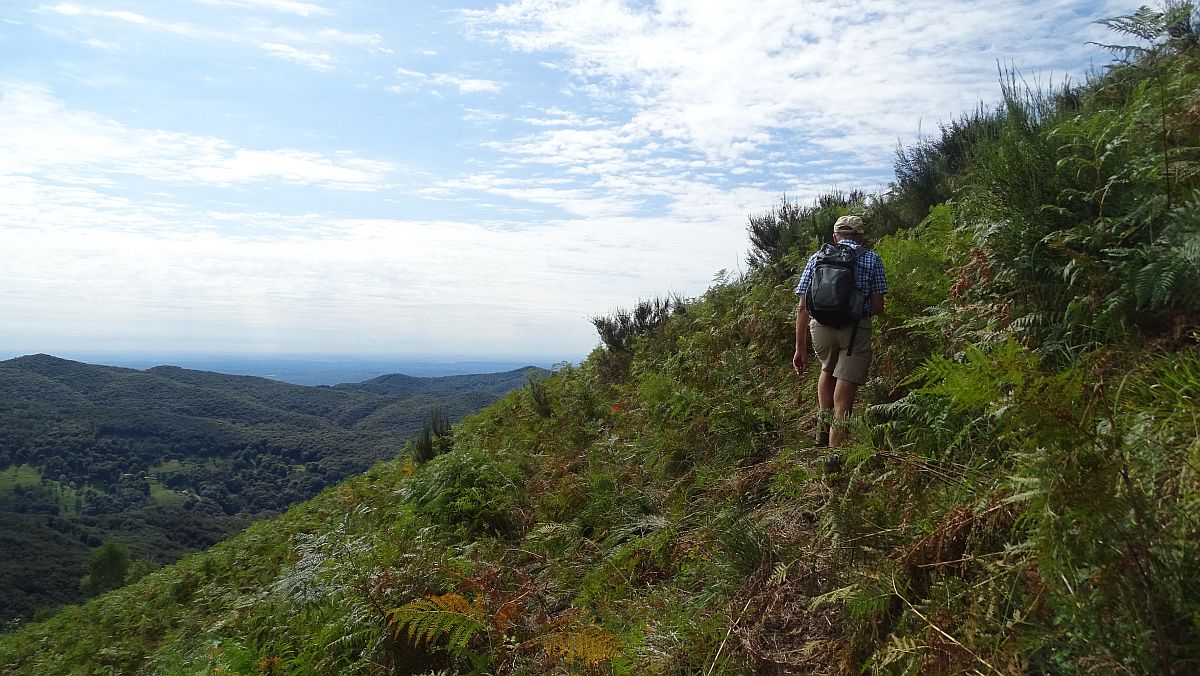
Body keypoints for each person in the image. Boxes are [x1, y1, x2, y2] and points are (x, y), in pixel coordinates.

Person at [792, 215, 888, 448]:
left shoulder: (816, 258)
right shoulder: (871, 258)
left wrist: (800, 348)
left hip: (821, 328)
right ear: (861, 236)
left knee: (827, 368)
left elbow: (803, 307)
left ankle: (821, 432)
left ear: (835, 237)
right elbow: (878, 307)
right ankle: (833, 457)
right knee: (845, 389)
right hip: (855, 330)